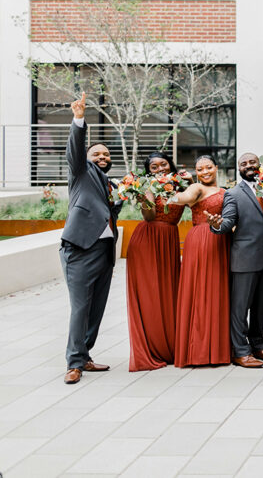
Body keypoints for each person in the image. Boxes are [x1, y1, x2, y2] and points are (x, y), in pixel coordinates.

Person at [60, 93, 123, 384]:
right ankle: (73, 363)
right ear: (87, 158)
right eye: (97, 154)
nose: (102, 157)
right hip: (81, 248)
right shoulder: (81, 173)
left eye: (107, 155)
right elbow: (75, 150)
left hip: (105, 251)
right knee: (81, 307)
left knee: (96, 309)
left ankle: (85, 356)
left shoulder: (111, 184)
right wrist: (79, 119)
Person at [208, 153, 263, 368]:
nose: (248, 166)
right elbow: (227, 223)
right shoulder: (233, 194)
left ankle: (258, 346)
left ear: (259, 165)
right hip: (243, 260)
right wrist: (216, 225)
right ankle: (240, 351)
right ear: (239, 168)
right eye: (243, 164)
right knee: (240, 308)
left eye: (252, 162)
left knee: (261, 306)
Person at [125, 151, 188, 372]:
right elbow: (149, 216)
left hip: (168, 241)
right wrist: (142, 196)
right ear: (149, 171)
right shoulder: (150, 186)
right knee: (151, 295)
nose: (160, 169)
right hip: (148, 241)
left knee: (169, 293)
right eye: (154, 167)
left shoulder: (180, 186)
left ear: (171, 165)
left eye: (163, 164)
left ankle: (169, 345)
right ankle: (152, 348)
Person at [173, 156, 231, 367]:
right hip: (201, 240)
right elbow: (184, 197)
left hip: (222, 241)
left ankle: (218, 349)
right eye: (200, 169)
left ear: (216, 168)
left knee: (217, 292)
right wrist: (171, 193)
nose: (205, 171)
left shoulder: (226, 192)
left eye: (208, 167)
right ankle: (197, 349)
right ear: (195, 172)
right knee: (199, 291)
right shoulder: (196, 188)